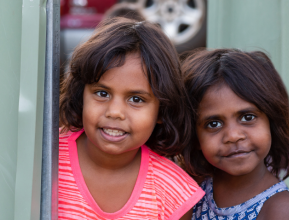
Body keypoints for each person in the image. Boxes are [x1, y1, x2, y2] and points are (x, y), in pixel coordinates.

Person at [58, 17, 205, 219]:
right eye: (102, 93)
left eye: (136, 99)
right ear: (81, 94)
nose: (115, 112)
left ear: (162, 110)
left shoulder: (173, 193)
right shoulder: (46, 157)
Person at [181, 48, 289, 220]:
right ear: (194, 136)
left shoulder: (280, 209)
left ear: (271, 119)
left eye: (247, 117)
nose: (233, 136)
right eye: (213, 124)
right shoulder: (193, 189)